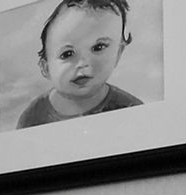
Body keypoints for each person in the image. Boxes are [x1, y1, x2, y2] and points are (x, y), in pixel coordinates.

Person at [17, 0, 142, 129]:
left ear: (118, 53)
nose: (83, 64)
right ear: (46, 68)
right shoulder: (33, 117)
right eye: (67, 54)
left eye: (98, 47)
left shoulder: (130, 108)